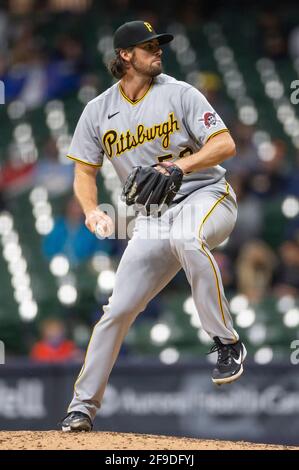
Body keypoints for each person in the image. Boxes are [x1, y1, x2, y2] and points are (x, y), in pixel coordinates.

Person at [61, 21, 246, 432]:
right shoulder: (97, 112)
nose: (157, 51)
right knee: (118, 309)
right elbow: (84, 173)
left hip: (206, 196)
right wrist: (92, 210)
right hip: (152, 220)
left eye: (158, 44)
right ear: (125, 55)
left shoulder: (179, 92)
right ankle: (81, 408)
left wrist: (177, 166)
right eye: (148, 46)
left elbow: (225, 144)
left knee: (188, 238)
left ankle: (226, 342)